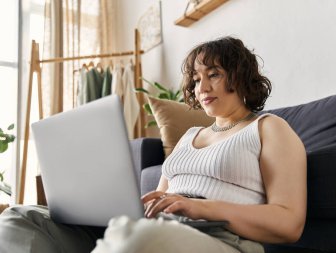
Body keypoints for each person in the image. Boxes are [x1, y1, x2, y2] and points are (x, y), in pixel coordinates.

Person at [0, 37, 306, 253]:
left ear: (241, 77)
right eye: (196, 79)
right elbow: (159, 198)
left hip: (222, 239)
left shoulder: (268, 128)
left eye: (213, 74)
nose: (202, 87)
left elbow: (289, 223)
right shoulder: (188, 137)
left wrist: (199, 207)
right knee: (20, 219)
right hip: (154, 230)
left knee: (137, 239)